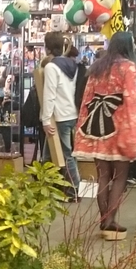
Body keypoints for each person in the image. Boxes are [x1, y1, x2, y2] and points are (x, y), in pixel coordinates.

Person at [72, 32, 136, 240]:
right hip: (118, 124)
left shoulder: (97, 66)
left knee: (103, 176)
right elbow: (133, 97)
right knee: (120, 176)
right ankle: (110, 220)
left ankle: (104, 219)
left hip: (97, 125)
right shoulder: (128, 67)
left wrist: (82, 125)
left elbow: (86, 97)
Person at [40, 31, 82, 192]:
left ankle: (74, 189)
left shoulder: (51, 67)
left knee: (66, 154)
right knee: (49, 155)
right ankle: (45, 187)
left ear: (47, 48)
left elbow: (49, 95)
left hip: (59, 116)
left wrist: (45, 120)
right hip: (70, 113)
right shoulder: (72, 65)